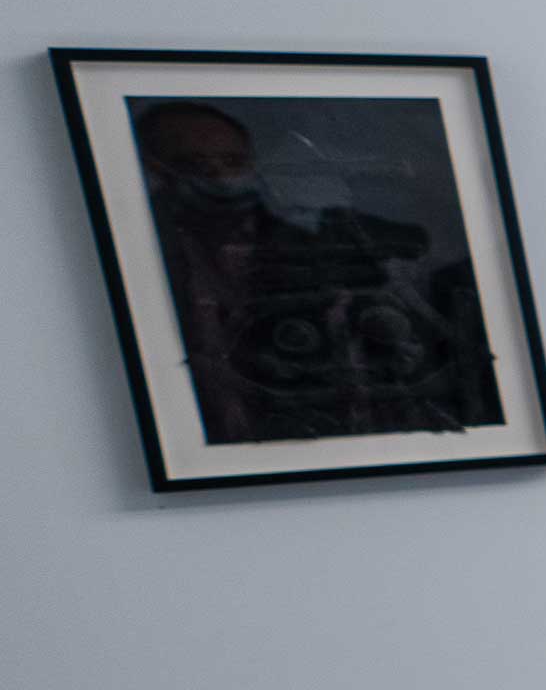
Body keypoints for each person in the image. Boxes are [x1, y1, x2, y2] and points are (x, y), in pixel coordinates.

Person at [131, 98, 495, 444]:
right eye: (197, 165)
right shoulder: (143, 256)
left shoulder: (315, 248)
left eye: (232, 161)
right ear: (156, 169)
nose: (220, 178)